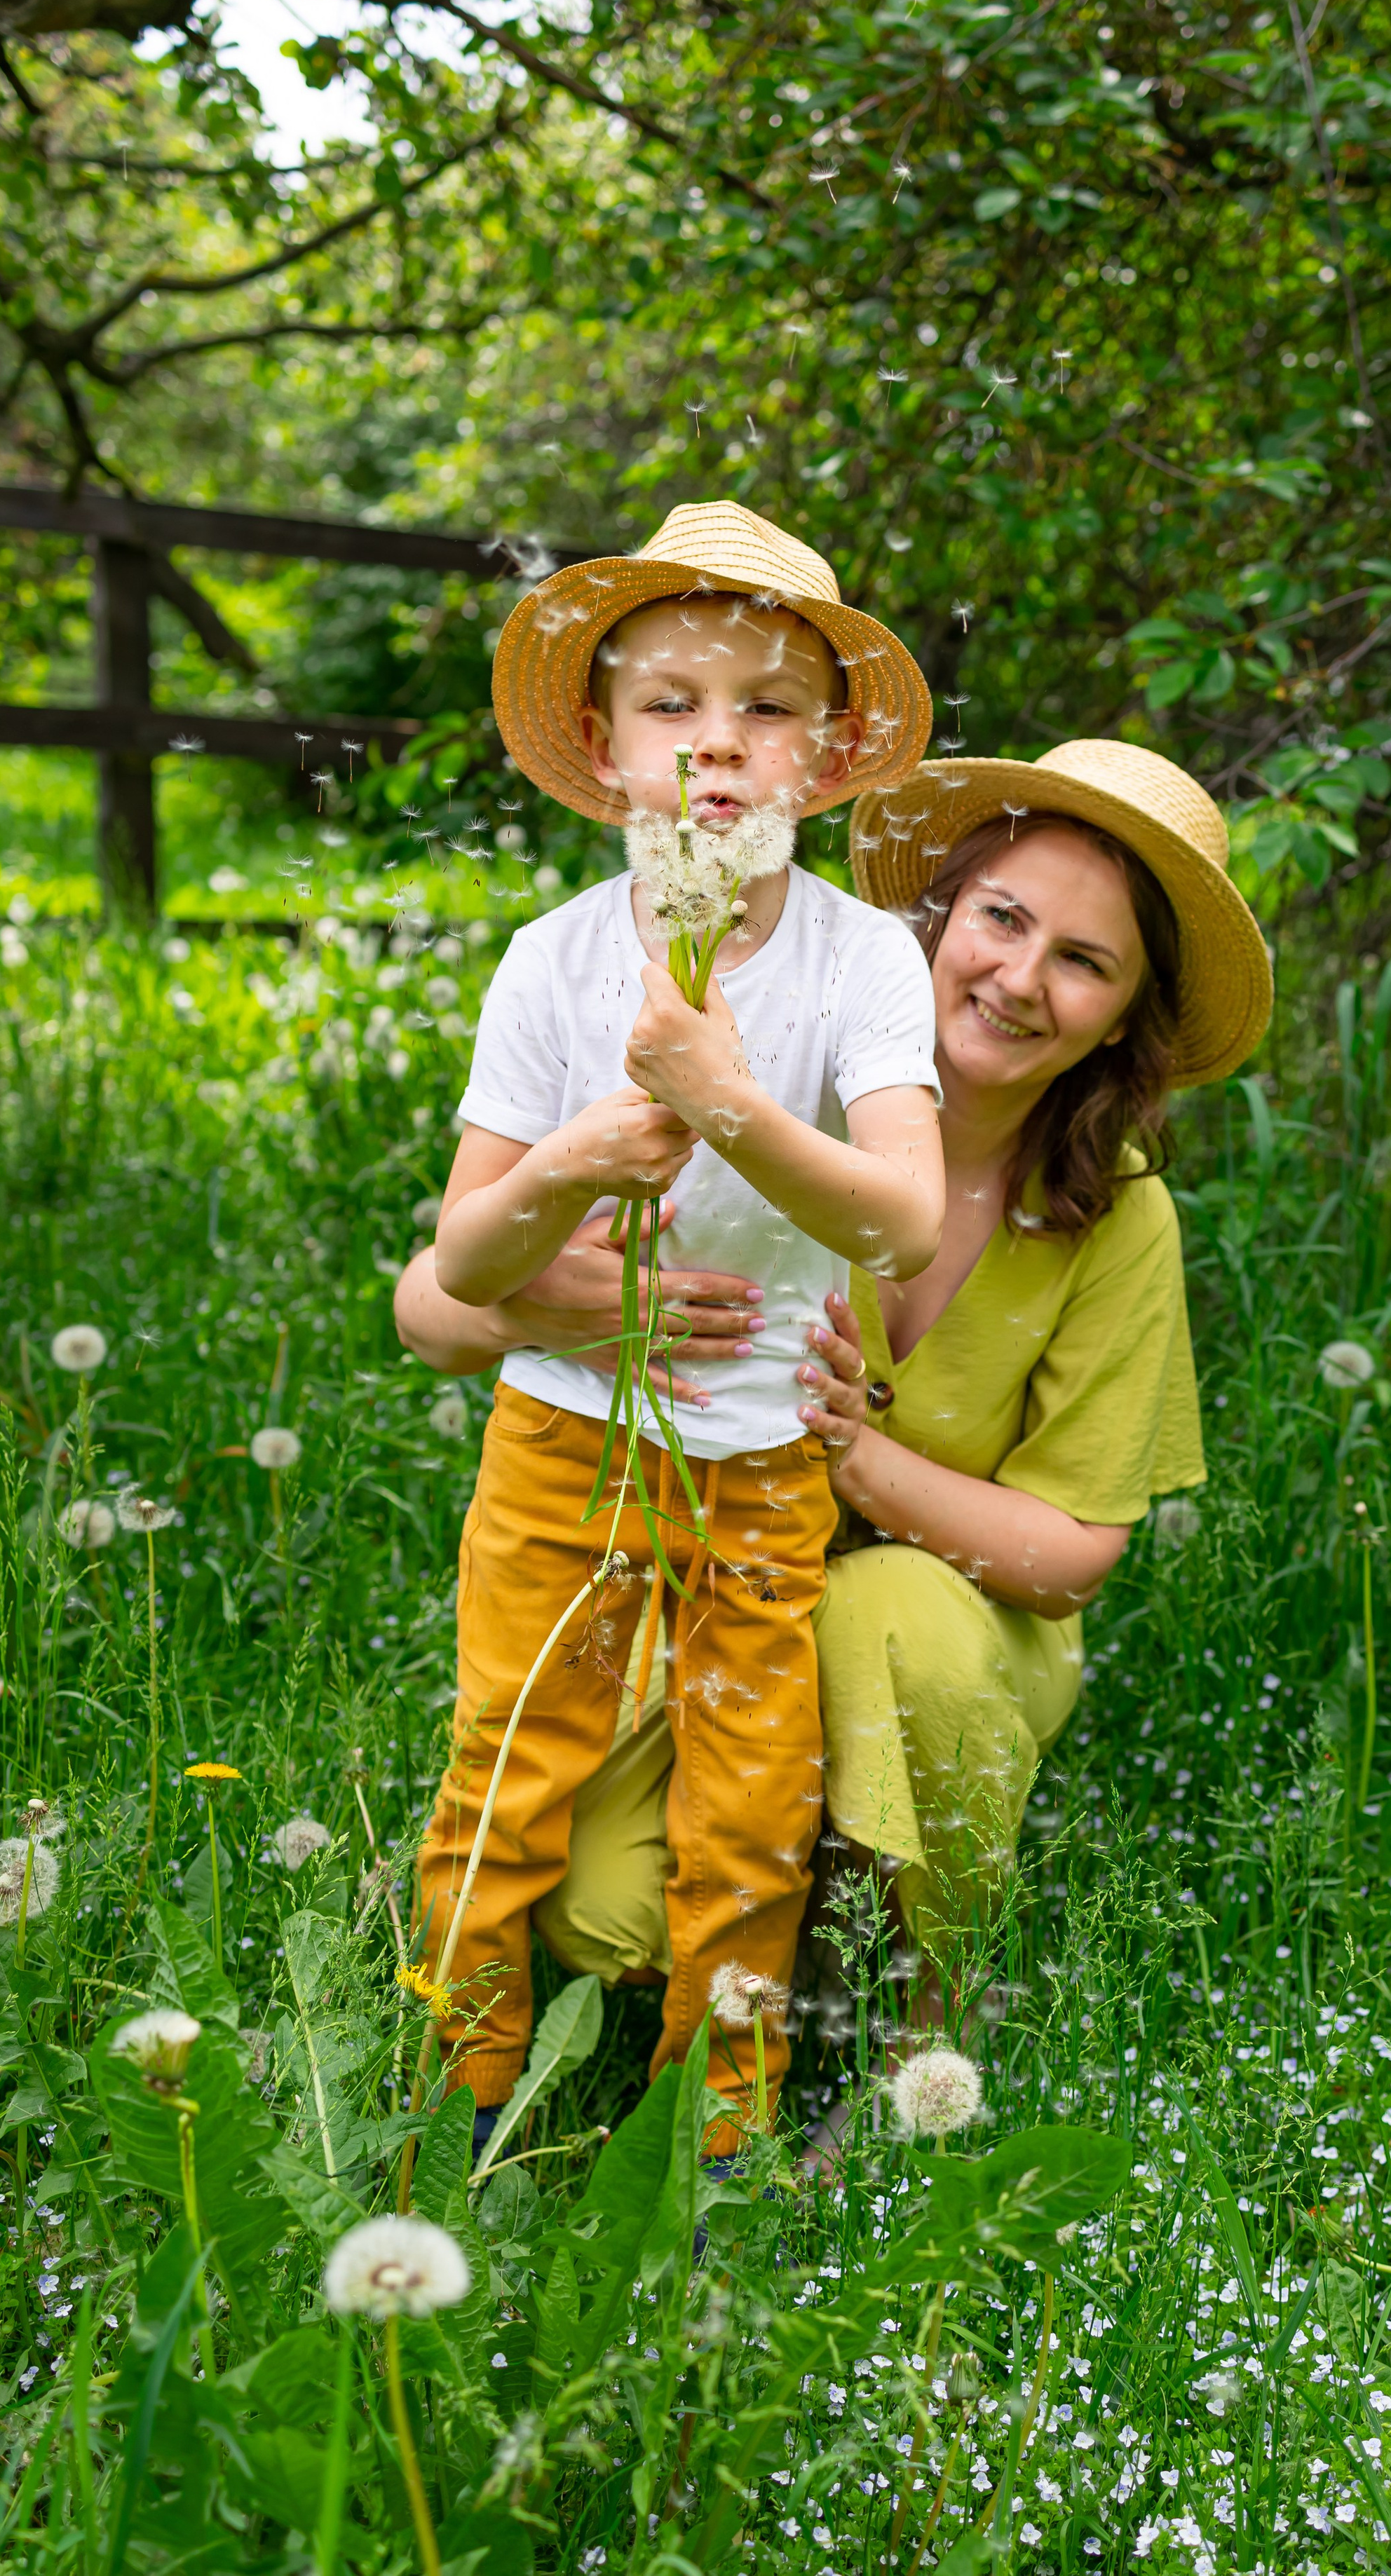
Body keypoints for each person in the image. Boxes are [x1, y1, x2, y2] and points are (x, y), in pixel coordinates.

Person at [399, 736, 1272, 2048]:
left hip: (949, 1638)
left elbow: (1073, 1556)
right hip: (714, 1581)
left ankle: (926, 2019)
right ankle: (789, 1916)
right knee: (600, 1913)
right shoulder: (769, 1084)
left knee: (886, 1611)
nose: (1020, 980)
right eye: (1002, 918)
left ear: (1128, 1016)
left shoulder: (1119, 1215)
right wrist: (551, 1307)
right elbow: (432, 1311)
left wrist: (861, 1464)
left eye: (1085, 962)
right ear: (938, 917)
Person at [413, 498, 944, 2150]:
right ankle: (451, 2102)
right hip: (564, 1433)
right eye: (673, 704)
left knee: (747, 1810)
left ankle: (712, 2144)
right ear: (603, 742)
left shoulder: (864, 962)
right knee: (507, 1768)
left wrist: (729, 1109)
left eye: (766, 708)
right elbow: (467, 1258)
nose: (718, 745)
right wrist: (576, 1156)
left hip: (767, 1457)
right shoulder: (554, 964)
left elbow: (900, 1217)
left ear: (831, 750)